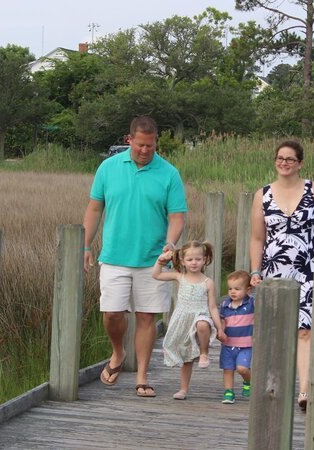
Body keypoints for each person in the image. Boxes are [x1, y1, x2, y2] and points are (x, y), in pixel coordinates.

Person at [83, 116, 187, 398]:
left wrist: (170, 243)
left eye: (150, 146)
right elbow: (95, 209)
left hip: (153, 260)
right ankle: (118, 352)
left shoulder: (169, 173)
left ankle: (142, 376)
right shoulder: (108, 168)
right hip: (114, 255)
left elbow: (177, 216)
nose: (145, 150)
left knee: (146, 318)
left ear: (156, 143)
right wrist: (85, 245)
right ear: (129, 140)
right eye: (140, 145)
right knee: (112, 313)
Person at [249, 140, 314, 412]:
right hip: (274, 271)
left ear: (300, 163)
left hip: (308, 268)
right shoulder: (262, 194)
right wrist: (255, 270)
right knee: (276, 330)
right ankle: (274, 387)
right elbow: (256, 238)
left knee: (304, 331)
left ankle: (305, 389)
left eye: (290, 159)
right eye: (280, 158)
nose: (284, 162)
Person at [152, 241, 224, 400]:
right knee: (187, 357)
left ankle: (204, 353)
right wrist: (160, 261)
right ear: (183, 261)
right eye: (190, 259)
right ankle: (183, 389)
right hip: (183, 319)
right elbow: (156, 275)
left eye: (198, 259)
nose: (194, 263)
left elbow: (212, 307)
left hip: (201, 316)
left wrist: (219, 328)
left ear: (204, 260)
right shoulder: (180, 277)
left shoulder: (207, 282)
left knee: (202, 323)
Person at [217, 270, 254, 404]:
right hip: (228, 344)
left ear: (248, 290)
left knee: (242, 368)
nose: (233, 292)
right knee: (228, 369)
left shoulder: (251, 304)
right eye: (230, 288)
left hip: (246, 344)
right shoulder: (225, 305)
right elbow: (222, 320)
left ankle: (248, 382)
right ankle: (229, 391)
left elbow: (263, 296)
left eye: (237, 289)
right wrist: (220, 330)